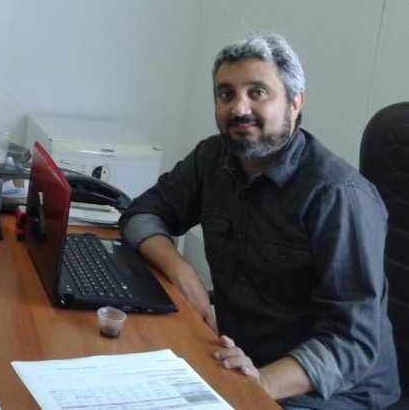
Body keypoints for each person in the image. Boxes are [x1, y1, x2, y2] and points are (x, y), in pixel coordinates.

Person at [119, 33, 400, 409]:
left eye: (258, 93)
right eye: (226, 94)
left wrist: (258, 384)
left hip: (330, 391)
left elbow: (352, 342)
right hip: (237, 357)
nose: (239, 108)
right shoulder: (214, 158)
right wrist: (183, 272)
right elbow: (141, 213)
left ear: (295, 103)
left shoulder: (337, 195)